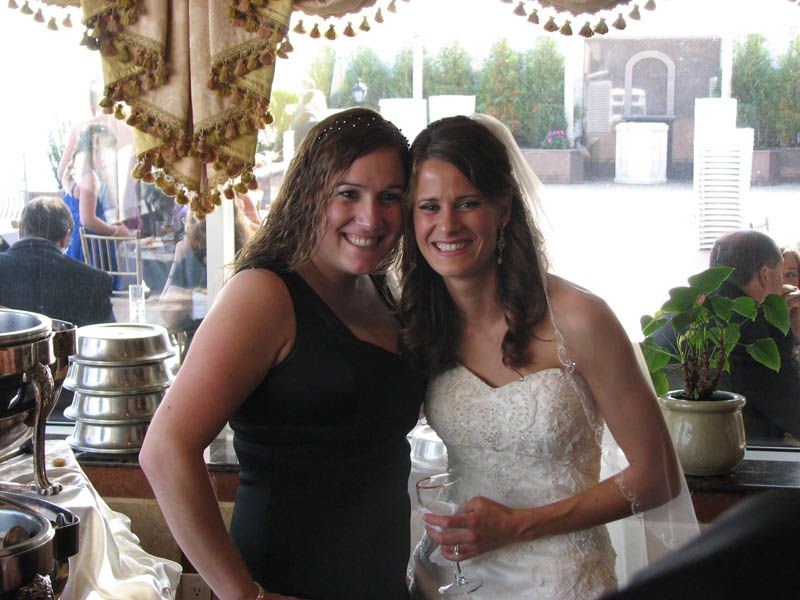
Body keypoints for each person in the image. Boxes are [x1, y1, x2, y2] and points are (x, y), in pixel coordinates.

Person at [400, 115, 697, 599]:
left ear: (504, 209)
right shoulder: (420, 324)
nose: (447, 224)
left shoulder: (579, 319)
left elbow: (658, 476)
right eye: (429, 207)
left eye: (468, 203)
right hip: (453, 582)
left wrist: (519, 525)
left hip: (563, 582)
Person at [140, 107, 426, 600]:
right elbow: (164, 451)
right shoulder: (265, 294)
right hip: (283, 583)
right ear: (312, 192)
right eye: (348, 194)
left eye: (391, 198)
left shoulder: (383, 291)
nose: (371, 217)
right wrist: (242, 594)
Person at [707, 231, 800, 441]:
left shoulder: (690, 313)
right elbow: (794, 410)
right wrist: (780, 328)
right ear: (765, 275)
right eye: (781, 274)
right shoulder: (747, 329)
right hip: (749, 456)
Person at [0, 196, 115, 327]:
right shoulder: (93, 280)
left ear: (20, 231)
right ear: (66, 238)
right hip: (66, 347)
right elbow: (110, 336)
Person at [158, 203, 252, 350]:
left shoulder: (194, 261)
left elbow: (170, 314)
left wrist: (178, 259)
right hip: (244, 347)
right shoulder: (248, 256)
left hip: (202, 350)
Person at [61, 122, 133, 263]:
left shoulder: (74, 173)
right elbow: (87, 220)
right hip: (93, 248)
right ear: (96, 151)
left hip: (78, 243)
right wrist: (117, 232)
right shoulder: (90, 178)